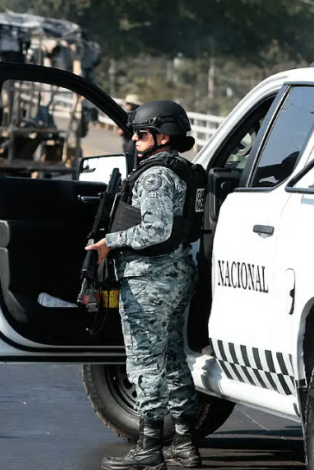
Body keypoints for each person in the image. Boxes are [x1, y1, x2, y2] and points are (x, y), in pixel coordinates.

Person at [86, 100, 202, 470]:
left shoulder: (154, 175)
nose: (133, 139)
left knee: (144, 363)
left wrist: (110, 244)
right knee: (171, 361)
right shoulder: (180, 169)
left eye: (141, 133)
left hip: (150, 279)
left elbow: (156, 228)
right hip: (176, 272)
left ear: (162, 136)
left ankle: (149, 447)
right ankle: (185, 444)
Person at [118, 94, 142, 172]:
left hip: (130, 144)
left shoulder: (130, 116)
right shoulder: (140, 116)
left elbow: (120, 132)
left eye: (128, 104)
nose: (127, 106)